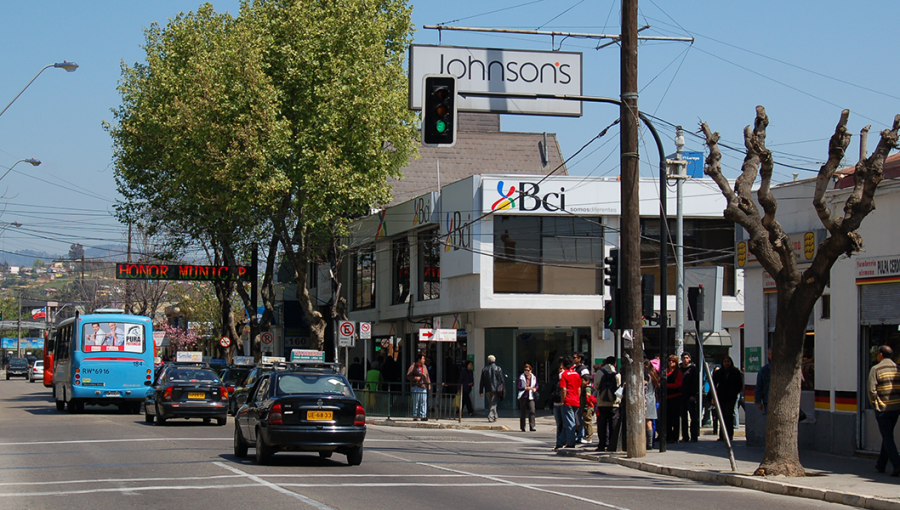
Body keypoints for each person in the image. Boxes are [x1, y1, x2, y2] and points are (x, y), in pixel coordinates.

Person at [867, 345, 900, 476]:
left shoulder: (876, 369)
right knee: (888, 435)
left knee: (887, 436)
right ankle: (881, 463)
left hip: (883, 407)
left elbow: (871, 390)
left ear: (880, 354)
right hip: (896, 407)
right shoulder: (898, 368)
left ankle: (897, 464)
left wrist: (875, 404)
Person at [713, 355, 744, 441]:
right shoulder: (719, 373)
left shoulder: (735, 372)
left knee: (728, 415)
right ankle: (722, 435)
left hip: (731, 396)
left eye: (728, 361)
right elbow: (714, 384)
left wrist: (735, 392)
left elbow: (739, 384)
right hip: (721, 396)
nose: (726, 363)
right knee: (722, 415)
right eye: (725, 361)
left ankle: (729, 435)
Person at [594, 356, 622, 452]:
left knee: (601, 424)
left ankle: (602, 444)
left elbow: (596, 386)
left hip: (601, 402)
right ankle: (612, 444)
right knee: (613, 424)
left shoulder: (599, 373)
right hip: (614, 403)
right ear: (615, 364)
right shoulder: (617, 374)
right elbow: (619, 387)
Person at [556, 355, 581, 450]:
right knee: (568, 422)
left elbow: (563, 389)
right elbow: (579, 388)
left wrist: (563, 401)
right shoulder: (576, 374)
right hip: (575, 400)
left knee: (569, 423)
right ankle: (561, 442)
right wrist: (577, 398)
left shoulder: (564, 374)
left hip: (568, 401)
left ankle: (571, 442)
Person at [479, 355, 505, 422]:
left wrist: (481, 391)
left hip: (488, 389)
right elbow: (501, 380)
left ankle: (495, 416)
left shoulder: (484, 369)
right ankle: (491, 416)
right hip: (496, 389)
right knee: (493, 403)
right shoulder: (498, 368)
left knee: (491, 403)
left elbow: (482, 381)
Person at [680, 352, 699, 442]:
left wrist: (693, 395)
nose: (685, 360)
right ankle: (685, 436)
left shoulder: (693, 369)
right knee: (683, 418)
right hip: (681, 395)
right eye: (683, 358)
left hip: (690, 395)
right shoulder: (679, 369)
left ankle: (694, 436)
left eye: (687, 358)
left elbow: (696, 383)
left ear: (689, 359)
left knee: (693, 417)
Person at [572, 352, 591, 442]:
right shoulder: (575, 368)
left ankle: (583, 435)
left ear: (579, 359)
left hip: (582, 395)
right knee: (577, 416)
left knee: (582, 415)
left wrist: (582, 391)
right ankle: (578, 434)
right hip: (576, 394)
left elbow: (586, 382)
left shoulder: (583, 370)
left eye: (575, 357)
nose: (573, 359)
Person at [407, 353, 431, 421]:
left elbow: (427, 376)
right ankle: (415, 415)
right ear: (419, 359)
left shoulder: (424, 367)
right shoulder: (413, 366)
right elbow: (408, 375)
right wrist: (415, 378)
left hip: (423, 386)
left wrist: (429, 384)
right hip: (416, 386)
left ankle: (423, 415)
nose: (424, 360)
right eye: (423, 359)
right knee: (416, 402)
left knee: (424, 401)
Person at [665, 355, 682, 443]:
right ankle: (668, 436)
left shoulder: (677, 372)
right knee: (667, 418)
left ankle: (674, 437)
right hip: (666, 397)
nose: (671, 363)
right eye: (670, 361)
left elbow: (678, 384)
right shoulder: (666, 371)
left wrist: (666, 386)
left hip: (675, 397)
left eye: (673, 361)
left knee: (675, 418)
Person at [644, 359, 660, 450]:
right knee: (649, 421)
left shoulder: (646, 376)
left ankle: (647, 442)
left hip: (645, 399)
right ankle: (650, 443)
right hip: (652, 399)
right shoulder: (654, 375)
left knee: (644, 421)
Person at [518, 364, 538, 432]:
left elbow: (536, 385)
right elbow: (519, 387)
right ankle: (522, 426)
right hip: (523, 396)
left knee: (532, 410)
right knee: (523, 411)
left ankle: (532, 426)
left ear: (531, 370)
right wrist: (525, 388)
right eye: (525, 370)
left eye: (528, 370)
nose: (527, 372)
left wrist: (535, 389)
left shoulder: (533, 377)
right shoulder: (521, 377)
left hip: (531, 396)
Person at [755, 350, 773, 415]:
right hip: (768, 401)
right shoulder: (764, 370)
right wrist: (758, 402)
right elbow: (759, 386)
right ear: (769, 355)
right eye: (772, 354)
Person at [580, 373, 596, 444]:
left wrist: (585, 409)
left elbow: (588, 400)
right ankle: (587, 436)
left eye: (583, 380)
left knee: (587, 422)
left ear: (588, 381)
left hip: (588, 407)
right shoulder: (586, 388)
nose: (582, 382)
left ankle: (588, 437)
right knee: (586, 422)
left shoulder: (588, 389)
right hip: (587, 407)